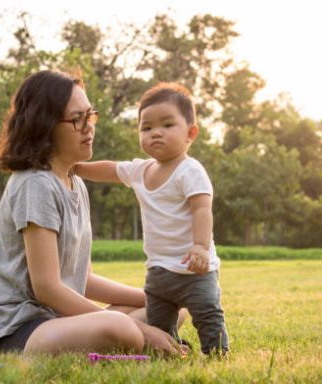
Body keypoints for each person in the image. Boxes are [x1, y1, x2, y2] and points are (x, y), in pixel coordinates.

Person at [0, 70, 186, 356]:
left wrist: (154, 298)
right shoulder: (35, 183)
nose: (89, 127)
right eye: (77, 119)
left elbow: (83, 279)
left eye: (90, 116)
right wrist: (142, 330)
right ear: (45, 125)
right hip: (15, 330)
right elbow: (47, 288)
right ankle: (129, 344)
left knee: (173, 308)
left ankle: (121, 346)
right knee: (122, 329)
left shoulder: (75, 182)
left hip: (58, 321)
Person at [74, 82, 229, 355]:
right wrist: (75, 167)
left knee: (207, 313)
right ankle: (168, 349)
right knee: (159, 320)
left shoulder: (190, 170)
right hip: (158, 273)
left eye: (167, 125)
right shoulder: (140, 170)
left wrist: (201, 246)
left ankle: (216, 353)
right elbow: (110, 170)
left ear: (190, 133)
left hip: (194, 270)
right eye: (146, 128)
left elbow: (202, 209)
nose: (156, 133)